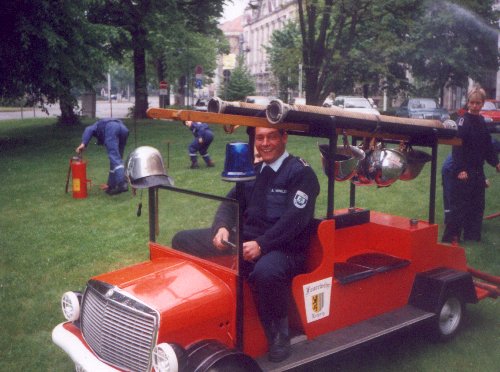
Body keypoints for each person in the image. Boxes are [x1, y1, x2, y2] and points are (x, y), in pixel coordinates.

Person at [172, 127, 320, 362]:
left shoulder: (301, 173)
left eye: (272, 136)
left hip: (284, 248)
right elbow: (231, 202)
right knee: (182, 240)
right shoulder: (255, 169)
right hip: (246, 242)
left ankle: (279, 335)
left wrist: (262, 244)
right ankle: (199, 307)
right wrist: (221, 227)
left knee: (266, 272)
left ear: (284, 138)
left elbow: (295, 220)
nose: (265, 143)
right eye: (260, 138)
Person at [441, 88, 500, 243]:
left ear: (483, 104)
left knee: (477, 205)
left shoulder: (481, 121)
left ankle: (472, 236)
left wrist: (496, 163)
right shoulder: (463, 121)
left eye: (478, 103)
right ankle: (452, 237)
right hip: (463, 169)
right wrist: (460, 170)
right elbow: (457, 147)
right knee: (459, 206)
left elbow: (487, 146)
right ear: (468, 103)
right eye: (472, 103)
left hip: (477, 170)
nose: (474, 106)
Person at [75, 118, 129, 195]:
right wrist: (109, 185)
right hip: (124, 129)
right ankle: (112, 186)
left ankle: (122, 183)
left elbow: (88, 129)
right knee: (117, 159)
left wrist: (83, 143)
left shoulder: (96, 125)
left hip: (112, 128)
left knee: (114, 157)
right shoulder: (105, 123)